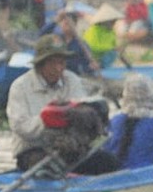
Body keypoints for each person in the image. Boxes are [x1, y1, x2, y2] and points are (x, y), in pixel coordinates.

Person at [6, 36, 117, 173]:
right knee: (51, 169)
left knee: (109, 162)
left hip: (69, 148)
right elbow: (21, 127)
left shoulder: (71, 80)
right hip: (32, 151)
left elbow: (80, 107)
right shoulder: (20, 87)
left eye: (62, 63)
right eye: (52, 63)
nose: (58, 69)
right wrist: (46, 120)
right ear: (40, 64)